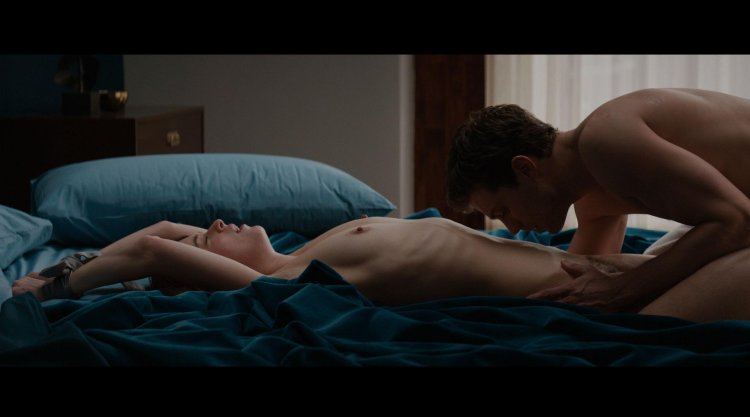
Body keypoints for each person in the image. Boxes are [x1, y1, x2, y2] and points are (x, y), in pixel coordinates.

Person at [12, 217, 750, 322]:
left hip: (616, 260)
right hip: (617, 294)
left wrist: (86, 257)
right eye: (211, 238)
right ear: (204, 269)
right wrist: (56, 283)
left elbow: (162, 233)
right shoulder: (288, 281)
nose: (216, 223)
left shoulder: (307, 244)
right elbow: (155, 252)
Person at [446, 88, 750, 313]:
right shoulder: (591, 194)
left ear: (525, 169)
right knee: (649, 276)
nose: (512, 228)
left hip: (740, 215)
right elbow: (580, 288)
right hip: (738, 209)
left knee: (654, 308)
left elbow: (738, 220)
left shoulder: (605, 140)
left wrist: (624, 287)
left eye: (503, 211)